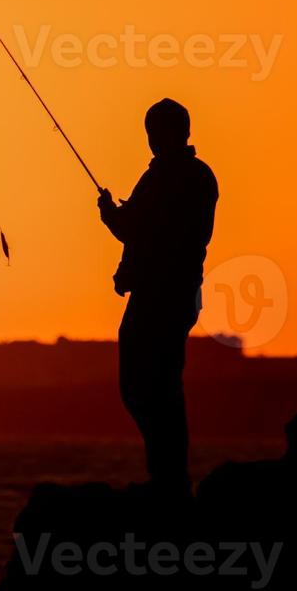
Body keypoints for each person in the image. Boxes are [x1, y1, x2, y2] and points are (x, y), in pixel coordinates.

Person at [98, 98, 219, 496]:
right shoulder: (198, 176)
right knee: (161, 385)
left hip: (158, 298)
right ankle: (169, 476)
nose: (151, 140)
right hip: (179, 295)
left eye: (154, 132)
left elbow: (142, 231)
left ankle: (169, 478)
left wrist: (110, 216)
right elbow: (147, 228)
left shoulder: (167, 177)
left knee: (143, 385)